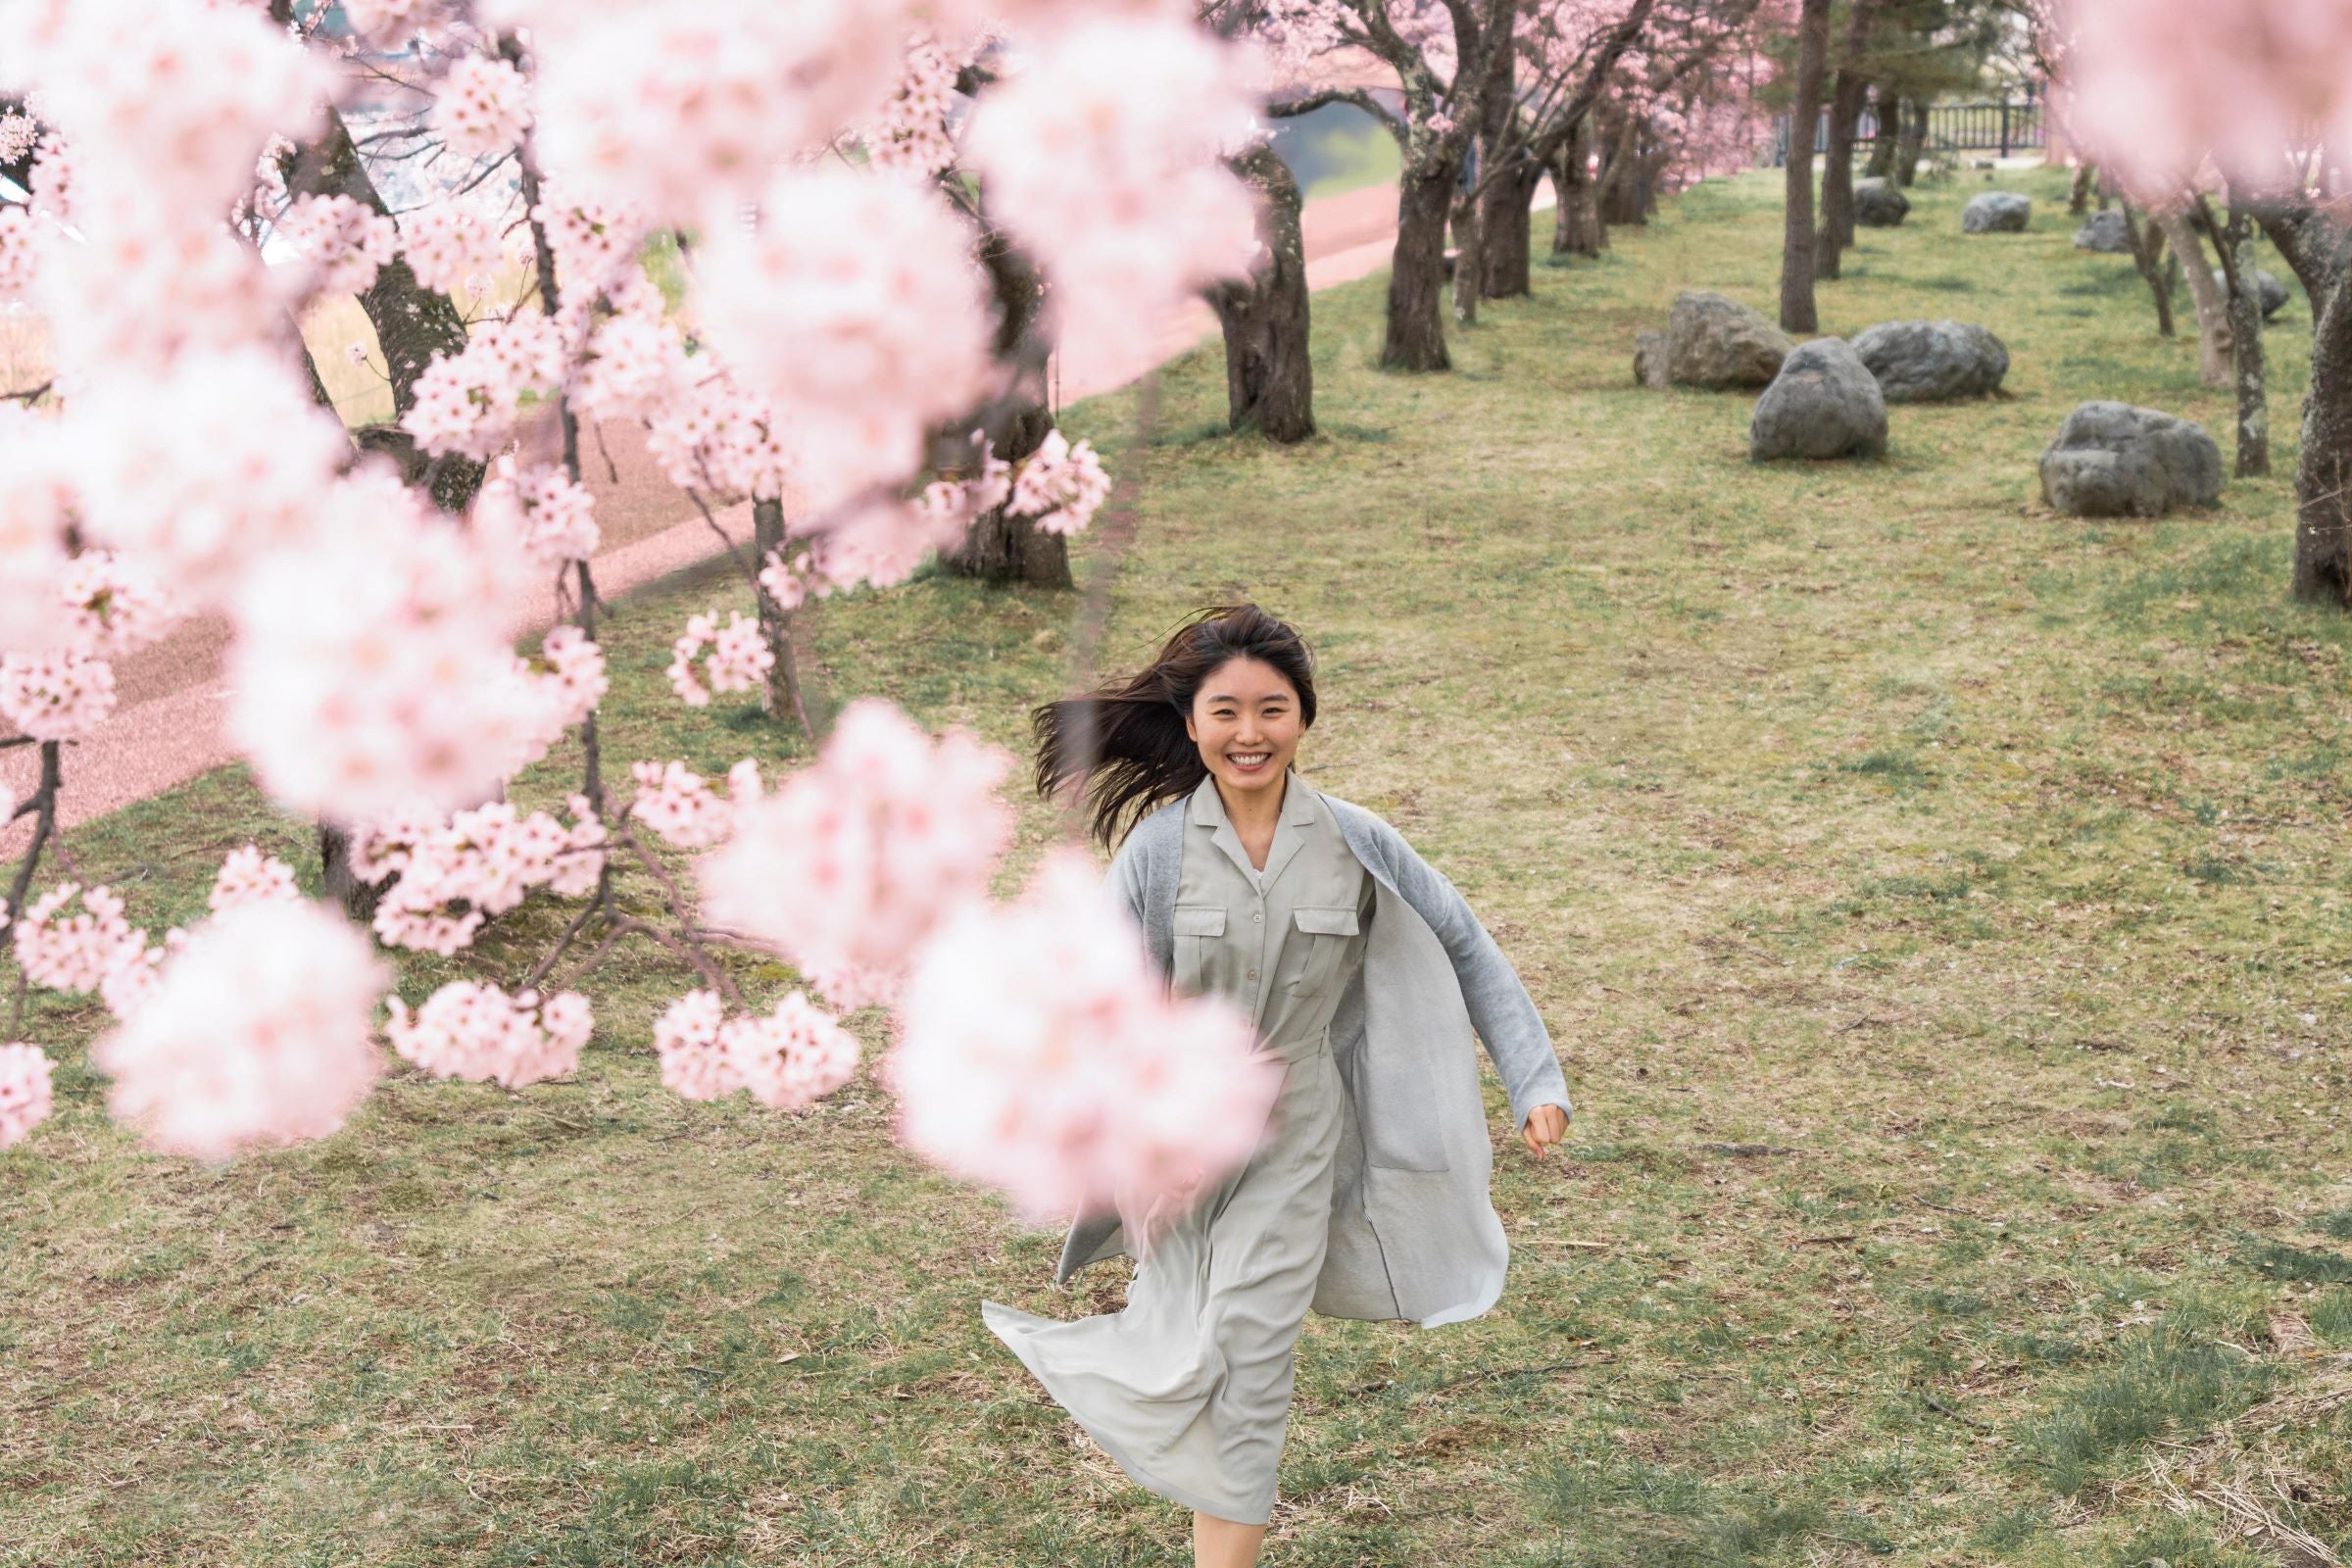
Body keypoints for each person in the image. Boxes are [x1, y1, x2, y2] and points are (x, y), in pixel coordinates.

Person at [982, 603, 1573, 1568]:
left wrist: (1532, 1078)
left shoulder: (1355, 841)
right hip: (1177, 1134)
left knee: (1249, 1353)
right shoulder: (1159, 854)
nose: (1248, 732)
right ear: (1190, 724)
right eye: (1225, 711)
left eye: (1271, 708)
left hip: (1295, 1130)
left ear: (1304, 716)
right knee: (1187, 1345)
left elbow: (1464, 942)